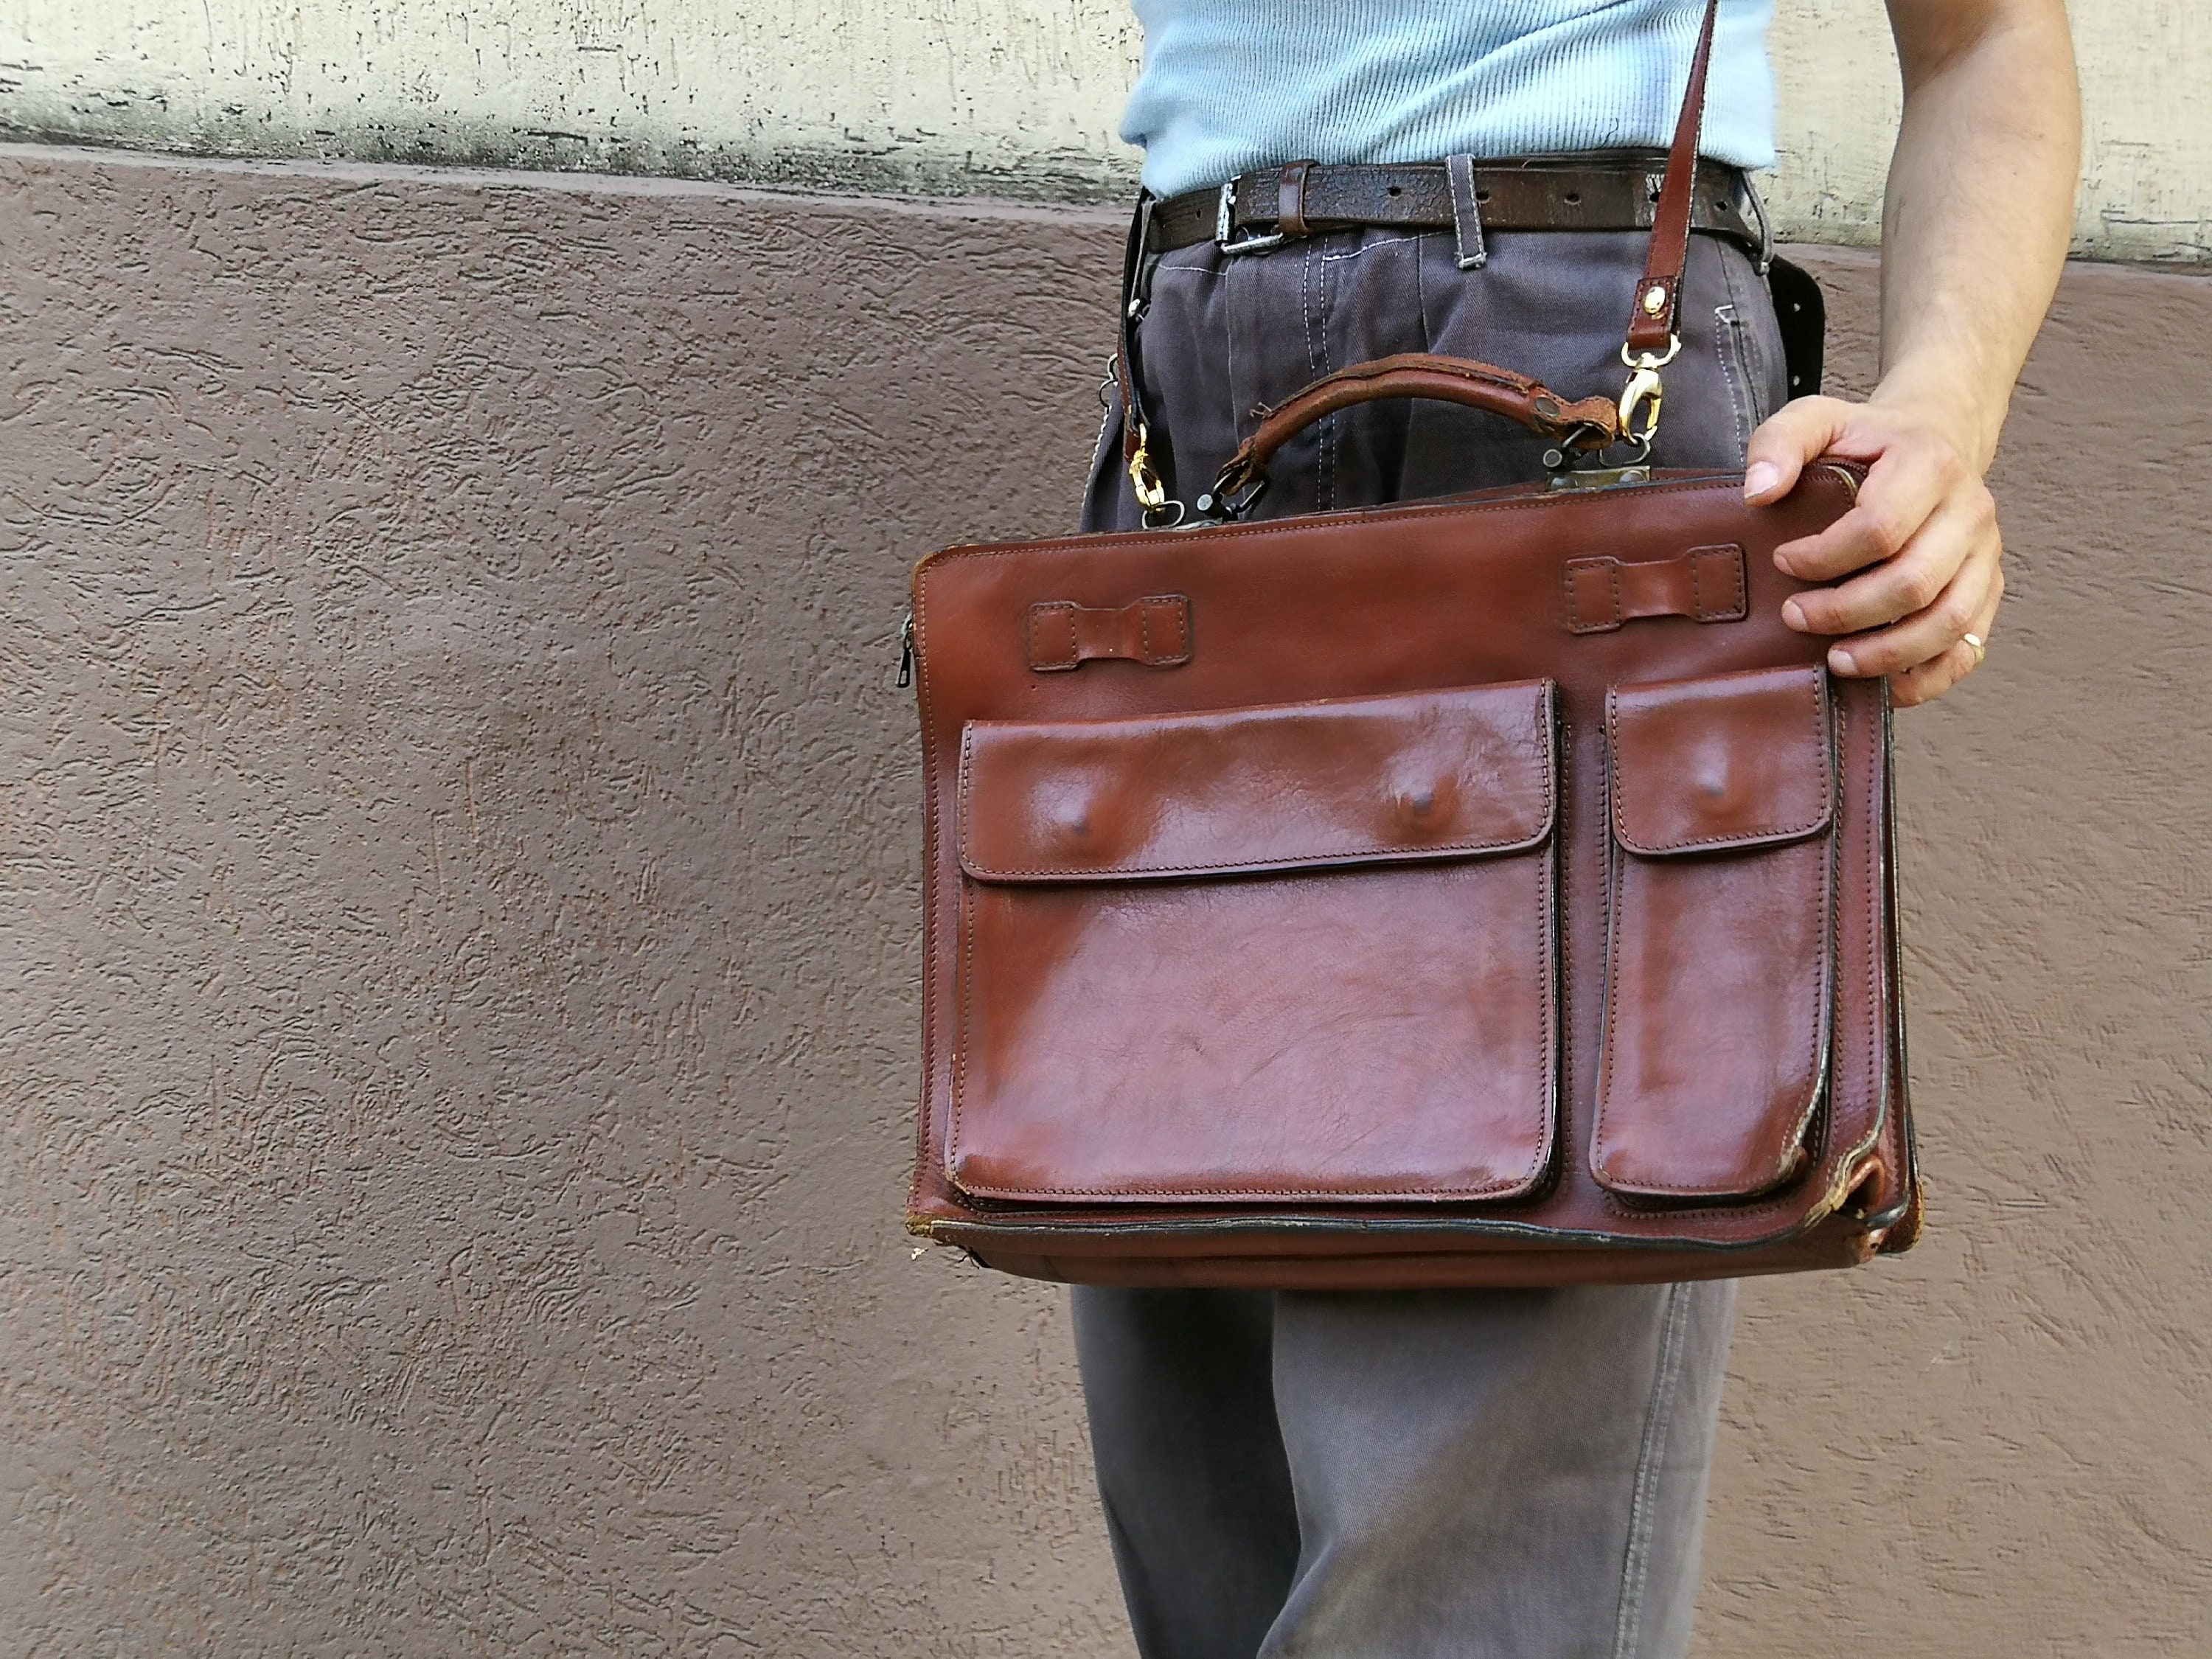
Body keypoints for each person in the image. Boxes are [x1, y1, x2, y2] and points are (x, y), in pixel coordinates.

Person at [1068, 3, 2079, 1656]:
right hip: (1198, 391)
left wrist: (1945, 416)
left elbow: (1987, 42)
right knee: (1197, 1490)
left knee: (1466, 1588)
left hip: (1593, 363)